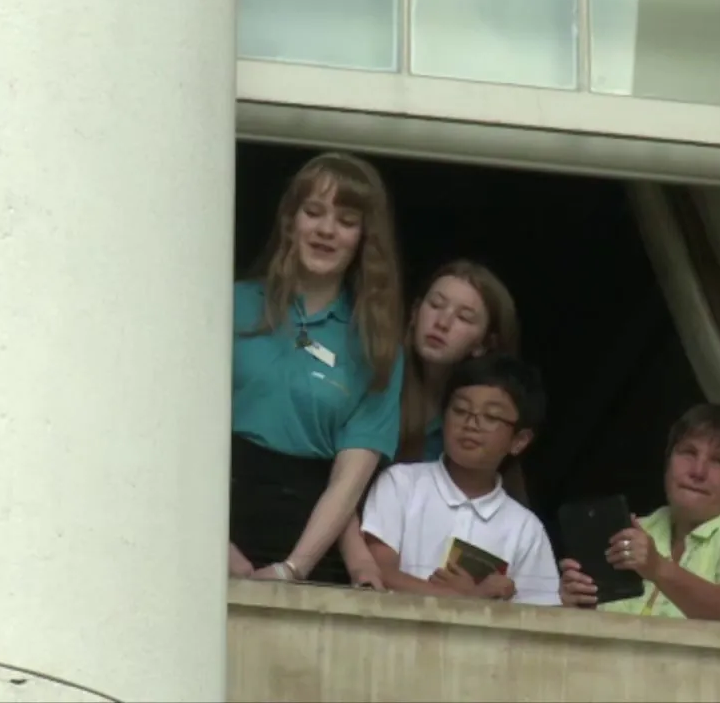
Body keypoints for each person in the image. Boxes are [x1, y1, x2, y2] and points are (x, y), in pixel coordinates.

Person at [229, 151, 405, 587]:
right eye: (313, 212)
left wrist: (292, 569)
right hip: (214, 517)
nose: (327, 230)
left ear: (364, 238)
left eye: (346, 221)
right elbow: (180, 435)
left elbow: (348, 482)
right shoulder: (229, 304)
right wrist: (211, 541)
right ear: (290, 221)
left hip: (311, 544)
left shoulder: (377, 344)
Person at [360, 353, 560, 605]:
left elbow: (540, 615)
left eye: (491, 417)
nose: (471, 424)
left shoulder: (525, 529)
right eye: (460, 410)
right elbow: (379, 573)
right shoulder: (400, 484)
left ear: (519, 441)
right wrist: (467, 599)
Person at [557, 404, 720, 622]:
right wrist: (576, 605)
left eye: (719, 462)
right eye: (688, 453)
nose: (698, 471)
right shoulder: (639, 529)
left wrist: (657, 567)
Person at [397, 259, 520, 462]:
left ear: (485, 344)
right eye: (436, 305)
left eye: (464, 317)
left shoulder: (480, 424)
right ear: (414, 312)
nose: (442, 323)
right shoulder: (376, 376)